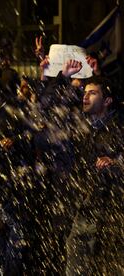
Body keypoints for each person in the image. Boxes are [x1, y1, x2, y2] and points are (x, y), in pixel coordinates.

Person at [66, 75, 124, 275]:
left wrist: (116, 163)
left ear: (107, 101)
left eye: (92, 93)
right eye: (85, 92)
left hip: (112, 214)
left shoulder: (119, 127)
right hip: (87, 208)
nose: (85, 97)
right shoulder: (84, 129)